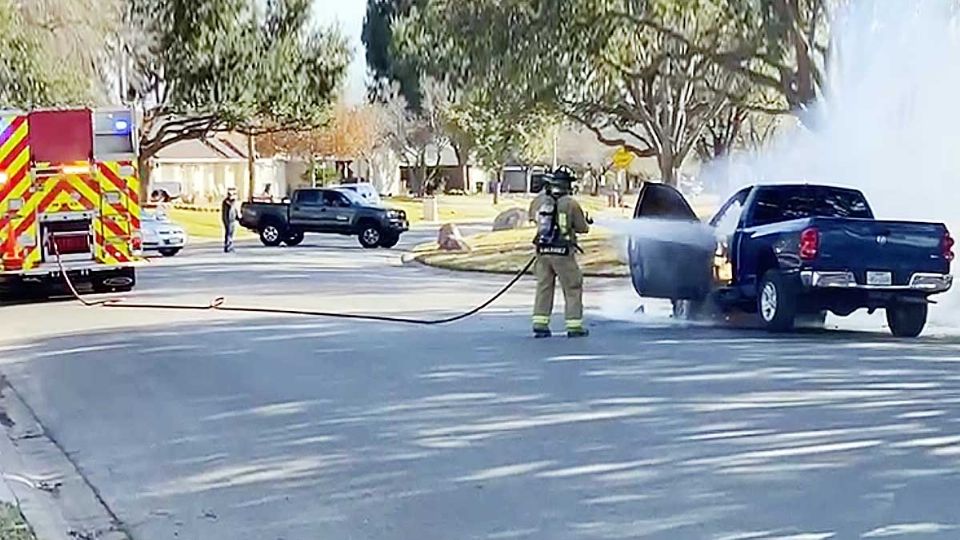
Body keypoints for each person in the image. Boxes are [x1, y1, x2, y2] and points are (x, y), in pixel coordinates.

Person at [529, 166, 591, 338]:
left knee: (544, 287)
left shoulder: (540, 201)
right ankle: (574, 326)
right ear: (567, 185)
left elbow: (532, 218)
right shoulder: (570, 203)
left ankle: (540, 324)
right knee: (572, 287)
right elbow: (582, 228)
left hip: (542, 252)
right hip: (563, 253)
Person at [221, 187, 239, 253]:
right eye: (231, 194)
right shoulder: (226, 202)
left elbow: (235, 210)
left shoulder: (233, 202)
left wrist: (238, 218)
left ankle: (230, 245)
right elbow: (228, 209)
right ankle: (227, 246)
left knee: (231, 233)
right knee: (228, 233)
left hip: (233, 219)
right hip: (228, 220)